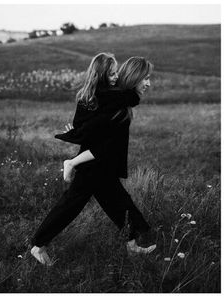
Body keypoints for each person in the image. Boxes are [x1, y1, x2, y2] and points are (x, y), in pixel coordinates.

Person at [31, 54, 155, 265]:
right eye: (145, 78)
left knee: (121, 204)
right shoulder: (117, 103)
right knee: (71, 205)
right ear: (135, 77)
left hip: (102, 166)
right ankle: (37, 246)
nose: (149, 82)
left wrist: (79, 131)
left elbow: (92, 125)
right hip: (94, 166)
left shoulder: (115, 100)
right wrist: (74, 160)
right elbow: (100, 140)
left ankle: (132, 245)